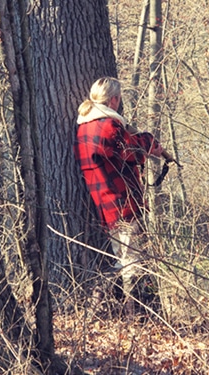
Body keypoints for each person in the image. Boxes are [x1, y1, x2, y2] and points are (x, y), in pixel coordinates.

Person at [74, 77, 174, 315]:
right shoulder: (108, 125)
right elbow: (132, 151)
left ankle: (109, 312)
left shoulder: (84, 126)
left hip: (106, 206)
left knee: (125, 259)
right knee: (132, 263)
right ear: (115, 99)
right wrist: (150, 141)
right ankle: (134, 316)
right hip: (123, 203)